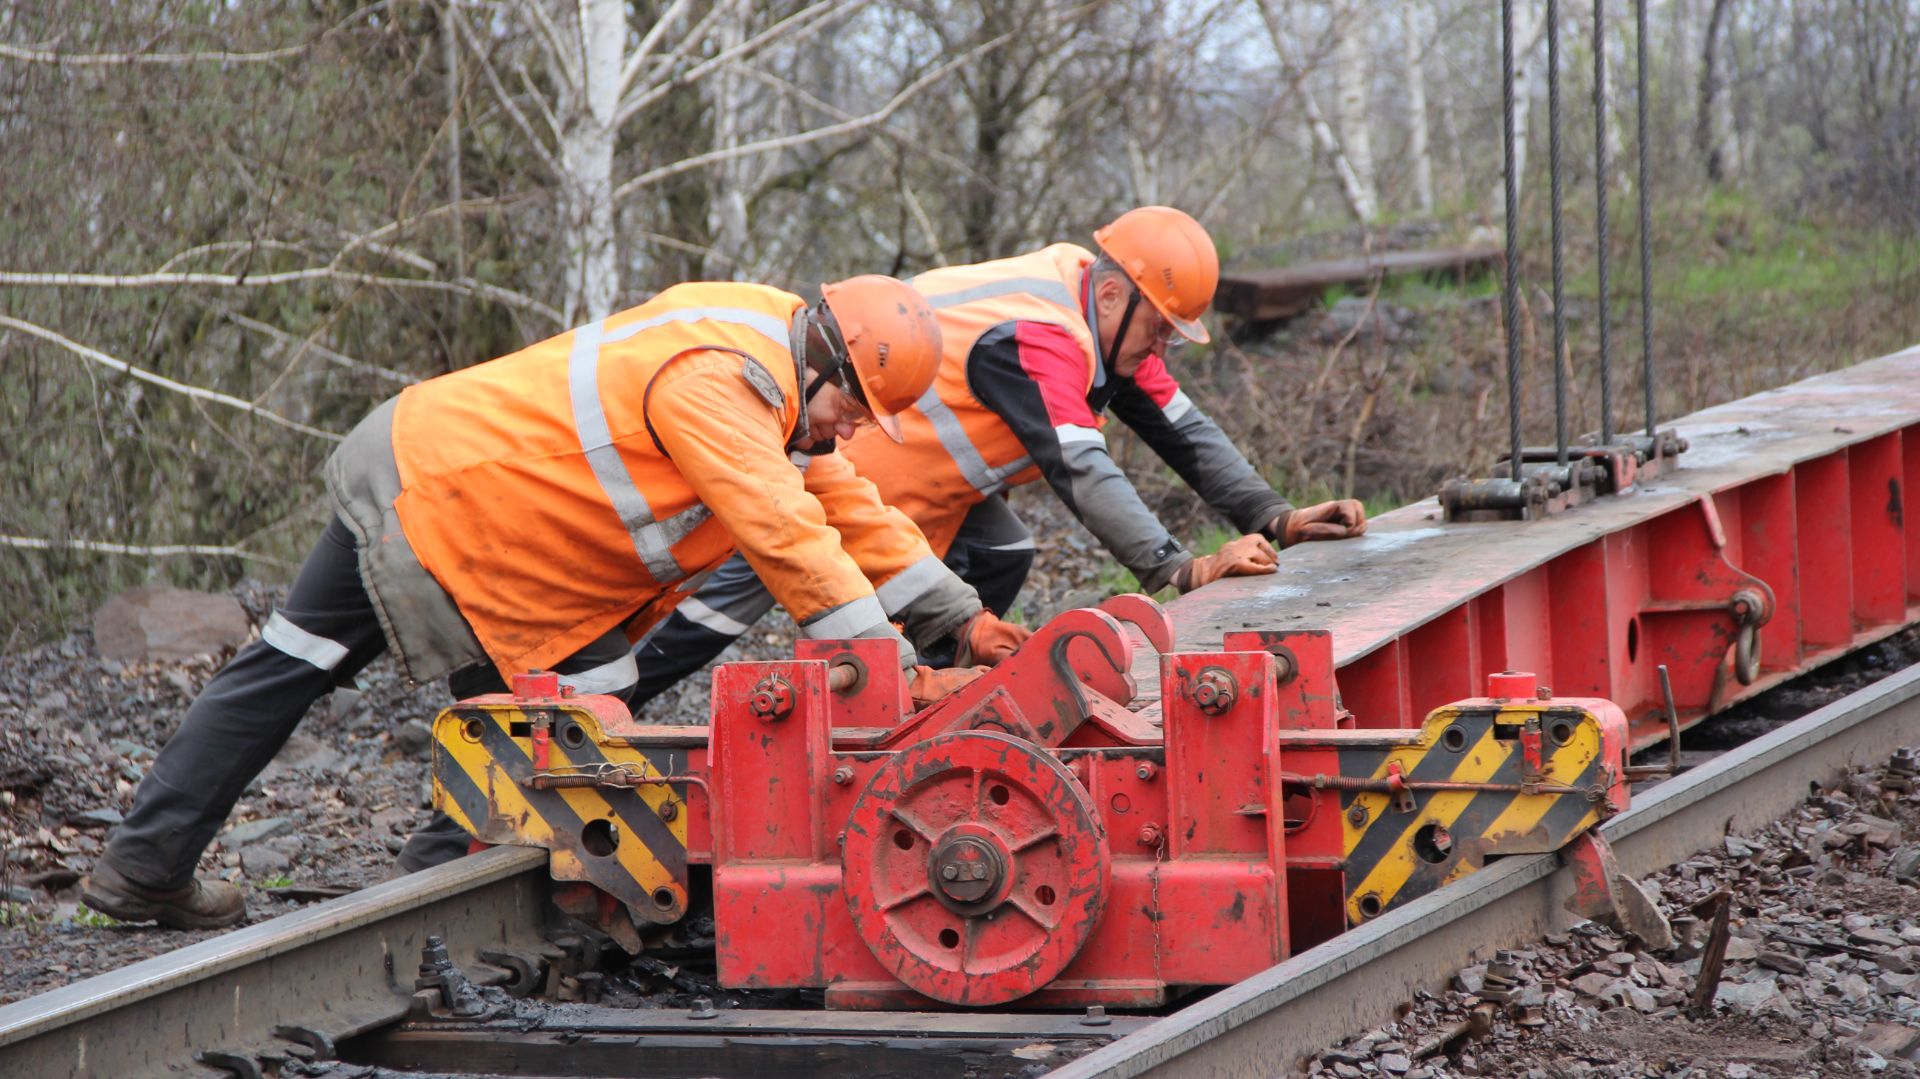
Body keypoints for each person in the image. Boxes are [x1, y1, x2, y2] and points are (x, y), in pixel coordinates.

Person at [82, 275, 992, 929]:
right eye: (857, 409)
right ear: (827, 360)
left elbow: (841, 503)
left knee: (291, 665)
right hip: (461, 514)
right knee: (572, 719)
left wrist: (960, 617)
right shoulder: (722, 382)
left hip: (434, 474)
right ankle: (432, 897)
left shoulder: (767, 346)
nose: (854, 431)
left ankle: (147, 864)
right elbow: (787, 532)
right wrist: (881, 663)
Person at [626, 206, 1366, 706]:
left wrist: (1277, 515)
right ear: (1113, 296)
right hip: (847, 460)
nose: (1163, 345)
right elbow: (1081, 465)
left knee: (1003, 554)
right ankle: (612, 704)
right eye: (1162, 329)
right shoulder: (1041, 332)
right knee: (724, 601)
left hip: (936, 482)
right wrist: (1178, 568)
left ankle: (934, 709)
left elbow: (1182, 424)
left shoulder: (1098, 307)